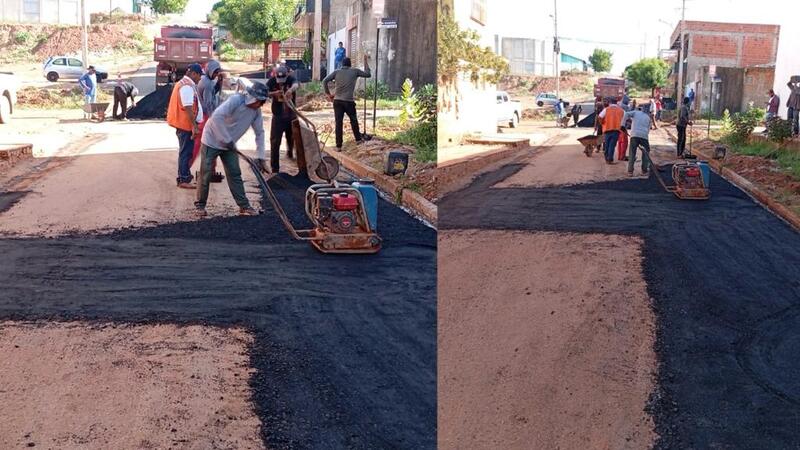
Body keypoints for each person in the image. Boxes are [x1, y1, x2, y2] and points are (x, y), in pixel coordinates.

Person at [194, 81, 268, 217]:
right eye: (258, 100)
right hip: (212, 139)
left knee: (234, 173)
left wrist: (261, 157)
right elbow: (216, 117)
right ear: (252, 97)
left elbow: (260, 133)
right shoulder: (236, 101)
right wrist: (226, 139)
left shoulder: (256, 112)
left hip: (229, 145)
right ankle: (200, 205)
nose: (259, 104)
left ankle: (244, 206)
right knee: (206, 173)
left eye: (261, 102)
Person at [166, 63, 204, 189]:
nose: (200, 79)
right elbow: (188, 107)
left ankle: (185, 176)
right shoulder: (186, 87)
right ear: (194, 73)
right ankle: (183, 179)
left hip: (185, 125)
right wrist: (194, 126)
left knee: (186, 152)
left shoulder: (184, 84)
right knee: (185, 152)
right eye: (199, 76)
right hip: (185, 125)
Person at [322, 54, 371, 149]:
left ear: (342, 65)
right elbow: (368, 74)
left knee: (338, 123)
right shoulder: (355, 71)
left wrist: (328, 94)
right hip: (348, 101)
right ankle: (358, 140)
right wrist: (365, 61)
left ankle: (338, 146)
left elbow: (324, 81)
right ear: (350, 65)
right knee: (353, 120)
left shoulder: (336, 72)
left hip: (337, 101)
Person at [193, 59, 225, 182]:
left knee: (210, 145)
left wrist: (219, 84)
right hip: (207, 117)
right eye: (216, 73)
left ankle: (211, 171)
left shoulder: (207, 81)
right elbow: (208, 104)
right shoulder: (207, 83)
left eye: (218, 73)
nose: (217, 75)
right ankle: (207, 171)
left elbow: (212, 93)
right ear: (210, 71)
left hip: (207, 117)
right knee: (210, 145)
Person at [266, 65, 300, 173]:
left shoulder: (291, 79)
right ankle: (275, 168)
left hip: (291, 116)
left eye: (282, 80)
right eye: (279, 80)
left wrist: (290, 90)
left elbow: (296, 84)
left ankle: (290, 151)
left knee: (292, 137)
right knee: (275, 142)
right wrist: (273, 94)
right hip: (278, 116)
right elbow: (264, 92)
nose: (280, 83)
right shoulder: (271, 82)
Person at [623, 105, 654, 176]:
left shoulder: (635, 113)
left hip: (634, 135)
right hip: (644, 136)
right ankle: (644, 170)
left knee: (632, 152)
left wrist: (622, 125)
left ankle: (630, 171)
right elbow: (648, 130)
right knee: (646, 152)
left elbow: (626, 114)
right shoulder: (648, 118)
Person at [598, 97, 624, 164]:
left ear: (610, 103)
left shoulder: (606, 109)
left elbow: (600, 117)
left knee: (607, 145)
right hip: (616, 130)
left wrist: (602, 123)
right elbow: (623, 119)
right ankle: (610, 159)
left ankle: (607, 158)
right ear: (616, 103)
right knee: (612, 145)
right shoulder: (621, 110)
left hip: (607, 130)